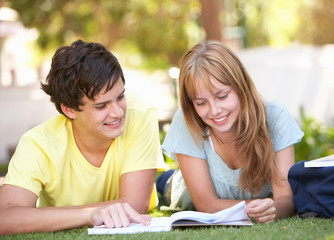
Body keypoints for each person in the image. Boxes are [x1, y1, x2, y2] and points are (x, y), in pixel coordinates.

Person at [0, 40, 165, 234]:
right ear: (69, 109)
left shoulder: (139, 116)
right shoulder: (38, 144)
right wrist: (90, 214)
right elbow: (5, 217)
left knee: (173, 188)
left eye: (120, 97)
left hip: (164, 189)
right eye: (101, 106)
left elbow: (134, 205)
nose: (118, 113)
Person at [159, 41, 304, 223]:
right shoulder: (187, 120)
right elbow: (206, 205)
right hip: (178, 188)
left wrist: (273, 208)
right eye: (201, 102)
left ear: (240, 87)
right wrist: (259, 207)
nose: (214, 110)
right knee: (165, 184)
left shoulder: (276, 118)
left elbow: (286, 198)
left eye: (222, 96)